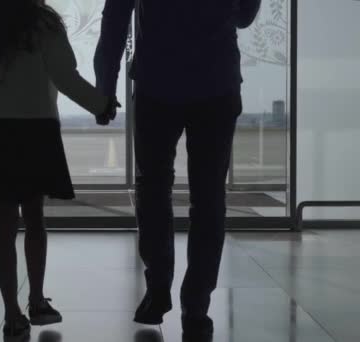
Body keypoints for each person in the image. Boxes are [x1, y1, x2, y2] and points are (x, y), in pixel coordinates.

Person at [0, 0, 119, 340]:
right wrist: (101, 104)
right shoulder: (44, 26)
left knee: (5, 224)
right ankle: (37, 300)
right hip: (35, 132)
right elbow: (65, 77)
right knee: (35, 220)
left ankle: (12, 314)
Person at [94, 0, 261, 341]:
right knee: (209, 197)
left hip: (158, 81)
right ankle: (196, 302)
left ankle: (158, 286)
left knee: (153, 187)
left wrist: (105, 84)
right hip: (216, 81)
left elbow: (115, 17)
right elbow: (244, 17)